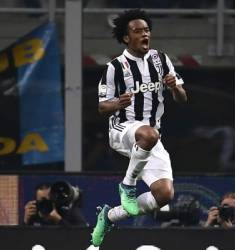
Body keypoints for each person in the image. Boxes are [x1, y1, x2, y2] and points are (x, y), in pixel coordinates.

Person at [92, 9, 187, 246]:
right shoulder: (115, 67)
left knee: (164, 195)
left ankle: (110, 216)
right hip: (122, 130)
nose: (145, 34)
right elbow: (102, 107)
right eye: (138, 31)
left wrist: (175, 87)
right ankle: (128, 185)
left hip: (150, 138)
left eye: (146, 30)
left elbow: (182, 98)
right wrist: (117, 102)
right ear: (126, 38)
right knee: (148, 133)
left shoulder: (161, 59)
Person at [23, 182, 88, 227]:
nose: (45, 203)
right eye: (42, 201)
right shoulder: (33, 216)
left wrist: (59, 220)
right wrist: (25, 222)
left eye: (48, 200)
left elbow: (80, 236)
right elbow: (20, 242)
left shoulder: (67, 213)